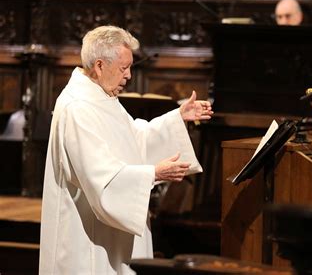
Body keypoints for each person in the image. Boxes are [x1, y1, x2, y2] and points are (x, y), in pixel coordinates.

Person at [39, 25, 213, 274]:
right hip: (88, 237)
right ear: (99, 66)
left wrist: (178, 117)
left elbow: (134, 139)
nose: (129, 75)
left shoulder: (100, 97)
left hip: (110, 234)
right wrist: (152, 174)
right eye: (124, 68)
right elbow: (100, 176)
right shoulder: (78, 107)